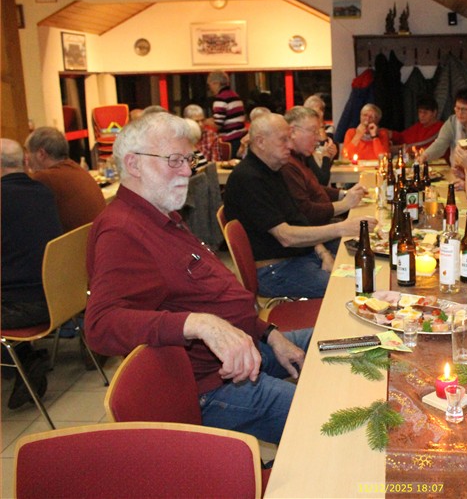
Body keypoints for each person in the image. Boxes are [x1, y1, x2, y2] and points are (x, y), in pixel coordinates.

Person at [83, 112, 311, 444]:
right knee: (330, 415)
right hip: (212, 386)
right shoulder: (122, 231)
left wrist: (270, 333)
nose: (188, 171)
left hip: (248, 346)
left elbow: (210, 294)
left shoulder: (163, 215)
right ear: (134, 164)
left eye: (187, 160)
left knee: (338, 342)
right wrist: (198, 323)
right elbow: (100, 326)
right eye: (174, 160)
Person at [224, 113, 377, 299]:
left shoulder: (274, 170)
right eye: (283, 139)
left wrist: (323, 253)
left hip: (299, 258)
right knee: (355, 287)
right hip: (274, 271)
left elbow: (299, 219)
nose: (290, 145)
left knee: (368, 272)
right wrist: (342, 228)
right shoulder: (248, 178)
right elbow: (286, 236)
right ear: (261, 142)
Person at [1, 139, 62, 409]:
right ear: (26, 161)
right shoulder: (42, 192)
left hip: (25, 307)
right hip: (58, 298)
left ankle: (24, 362)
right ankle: (25, 360)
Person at [282, 106, 367, 225]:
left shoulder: (300, 156)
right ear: (292, 131)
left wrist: (345, 194)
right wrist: (345, 204)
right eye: (314, 131)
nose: (318, 138)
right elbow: (306, 213)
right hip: (319, 229)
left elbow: (315, 187)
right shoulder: (286, 163)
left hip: (326, 221)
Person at [25, 127, 106, 231]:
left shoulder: (44, 178)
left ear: (41, 154)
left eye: (28, 152)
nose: (26, 159)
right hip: (96, 236)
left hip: (79, 241)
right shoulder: (77, 169)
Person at [419, 88, 467, 168]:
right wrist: (425, 156)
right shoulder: (451, 122)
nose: (460, 113)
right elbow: (440, 144)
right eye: (457, 108)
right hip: (457, 171)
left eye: (464, 109)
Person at [208, 71, 246, 159]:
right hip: (241, 138)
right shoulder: (235, 96)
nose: (210, 89)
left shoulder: (220, 99)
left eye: (210, 85)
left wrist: (205, 122)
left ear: (216, 83)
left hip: (230, 142)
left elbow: (218, 125)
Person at [302, 94, 337, 185]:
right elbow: (322, 180)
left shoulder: (329, 129)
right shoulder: (304, 147)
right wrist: (326, 157)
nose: (318, 137)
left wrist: (329, 157)